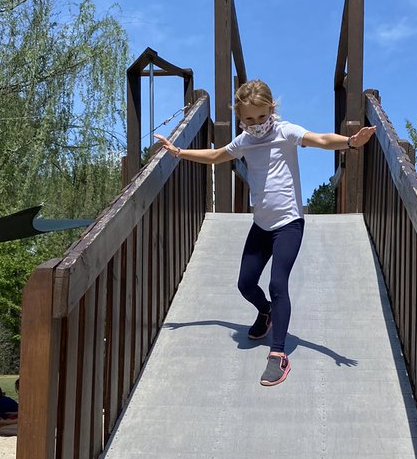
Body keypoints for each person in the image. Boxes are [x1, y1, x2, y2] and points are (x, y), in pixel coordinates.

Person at [155, 79, 375, 386]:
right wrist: (179, 152)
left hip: (288, 224)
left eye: (261, 116)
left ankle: (278, 354)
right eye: (248, 119)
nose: (256, 123)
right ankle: (267, 313)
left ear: (271, 110)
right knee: (245, 284)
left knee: (277, 283)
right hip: (261, 225)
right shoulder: (244, 141)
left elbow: (322, 139)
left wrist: (350, 142)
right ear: (240, 117)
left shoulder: (286, 132)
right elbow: (217, 156)